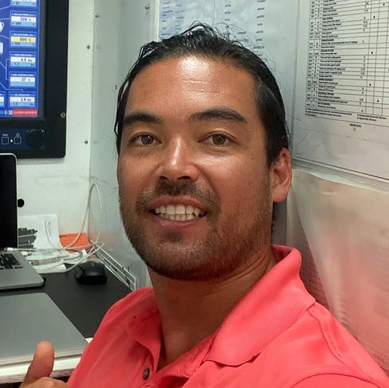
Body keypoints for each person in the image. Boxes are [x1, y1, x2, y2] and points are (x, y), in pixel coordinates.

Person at [19, 23, 389, 387]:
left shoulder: (321, 379)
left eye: (217, 138)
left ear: (278, 174)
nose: (174, 167)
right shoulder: (125, 319)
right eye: (146, 138)